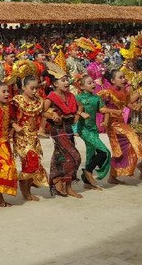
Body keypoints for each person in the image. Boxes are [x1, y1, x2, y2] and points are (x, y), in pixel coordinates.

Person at [98, 69, 142, 184]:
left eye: (124, 77)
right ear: (113, 80)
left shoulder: (125, 92)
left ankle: (113, 175)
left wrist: (136, 107)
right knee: (131, 140)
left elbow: (127, 104)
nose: (124, 79)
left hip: (121, 122)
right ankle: (114, 175)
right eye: (120, 77)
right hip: (112, 124)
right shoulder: (107, 92)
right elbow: (98, 104)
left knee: (122, 149)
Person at [43, 69, 83, 198]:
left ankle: (61, 182)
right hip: (58, 130)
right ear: (55, 84)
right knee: (74, 157)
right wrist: (52, 115)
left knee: (61, 156)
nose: (67, 82)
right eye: (63, 80)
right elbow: (42, 112)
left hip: (69, 129)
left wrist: (77, 114)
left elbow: (80, 106)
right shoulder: (51, 97)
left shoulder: (71, 96)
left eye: (67, 80)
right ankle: (63, 183)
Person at [11, 75, 49, 201]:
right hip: (21, 137)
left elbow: (43, 114)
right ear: (23, 87)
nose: (34, 91)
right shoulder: (17, 101)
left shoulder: (39, 100)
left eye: (36, 88)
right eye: (32, 88)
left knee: (31, 164)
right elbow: (9, 116)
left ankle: (27, 189)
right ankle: (25, 189)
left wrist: (44, 126)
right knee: (31, 160)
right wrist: (14, 125)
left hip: (33, 137)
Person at [74, 75, 111, 189]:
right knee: (105, 152)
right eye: (89, 83)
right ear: (82, 86)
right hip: (83, 129)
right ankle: (88, 171)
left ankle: (87, 182)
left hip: (93, 129)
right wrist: (75, 128)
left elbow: (104, 111)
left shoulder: (97, 98)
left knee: (90, 154)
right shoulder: (78, 98)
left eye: (93, 82)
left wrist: (105, 122)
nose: (93, 85)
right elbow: (73, 111)